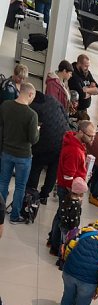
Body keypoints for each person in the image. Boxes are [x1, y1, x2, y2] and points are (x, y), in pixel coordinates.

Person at [49, 119, 94, 253]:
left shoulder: (76, 143)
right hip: (69, 190)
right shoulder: (74, 150)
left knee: (60, 215)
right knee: (63, 219)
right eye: (90, 135)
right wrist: (76, 195)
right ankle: (57, 247)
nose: (93, 139)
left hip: (71, 187)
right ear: (80, 132)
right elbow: (68, 177)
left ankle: (53, 241)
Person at [0, 82, 39, 224]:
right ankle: (14, 216)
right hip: (23, 156)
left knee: (3, 182)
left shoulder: (5, 106)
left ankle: (1, 212)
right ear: (30, 94)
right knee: (20, 187)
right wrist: (38, 131)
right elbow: (33, 139)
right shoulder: (32, 115)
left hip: (6, 151)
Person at [28, 91, 70, 205]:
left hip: (45, 144)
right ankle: (44, 196)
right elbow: (66, 116)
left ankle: (31, 192)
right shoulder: (52, 99)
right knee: (53, 171)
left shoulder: (33, 107)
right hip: (63, 140)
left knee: (36, 167)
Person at [57, 176, 88, 262]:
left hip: (63, 224)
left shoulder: (67, 199)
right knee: (66, 243)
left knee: (62, 241)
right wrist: (75, 228)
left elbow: (61, 212)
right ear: (79, 193)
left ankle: (60, 256)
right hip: (70, 228)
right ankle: (62, 259)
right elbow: (74, 218)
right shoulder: (76, 204)